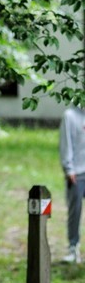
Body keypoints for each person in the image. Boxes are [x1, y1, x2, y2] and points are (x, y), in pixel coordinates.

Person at [59, 106, 85, 264]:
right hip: (77, 173)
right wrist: (69, 169)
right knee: (74, 211)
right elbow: (66, 143)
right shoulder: (70, 115)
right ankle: (73, 248)